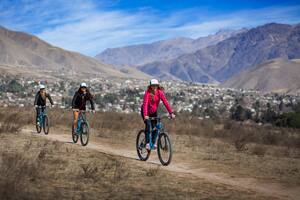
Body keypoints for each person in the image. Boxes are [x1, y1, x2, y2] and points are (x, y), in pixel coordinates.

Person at [141, 79, 175, 150]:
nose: (154, 87)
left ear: (158, 86)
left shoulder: (160, 92)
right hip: (146, 112)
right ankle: (147, 143)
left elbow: (165, 102)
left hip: (153, 112)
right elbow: (145, 104)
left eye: (156, 85)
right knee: (148, 125)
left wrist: (171, 113)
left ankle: (152, 143)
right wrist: (145, 115)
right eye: (153, 86)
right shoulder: (147, 93)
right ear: (150, 86)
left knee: (156, 127)